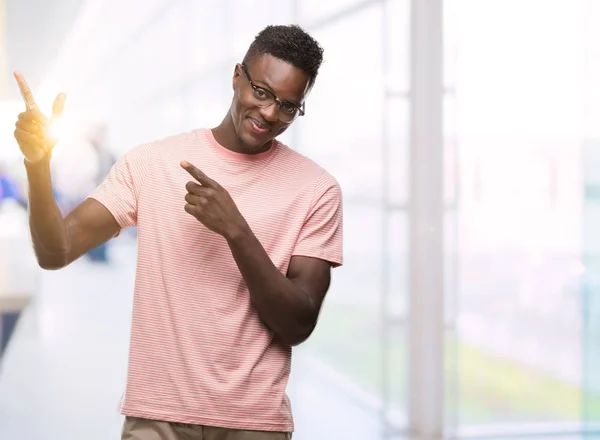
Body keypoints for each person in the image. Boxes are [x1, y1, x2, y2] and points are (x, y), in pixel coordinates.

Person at [13, 24, 343, 440]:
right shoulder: (152, 163)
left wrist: (235, 230)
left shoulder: (316, 189)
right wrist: (38, 166)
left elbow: (298, 323)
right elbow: (55, 251)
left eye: (288, 106)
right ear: (237, 76)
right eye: (260, 91)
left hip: (253, 422)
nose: (269, 114)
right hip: (157, 416)